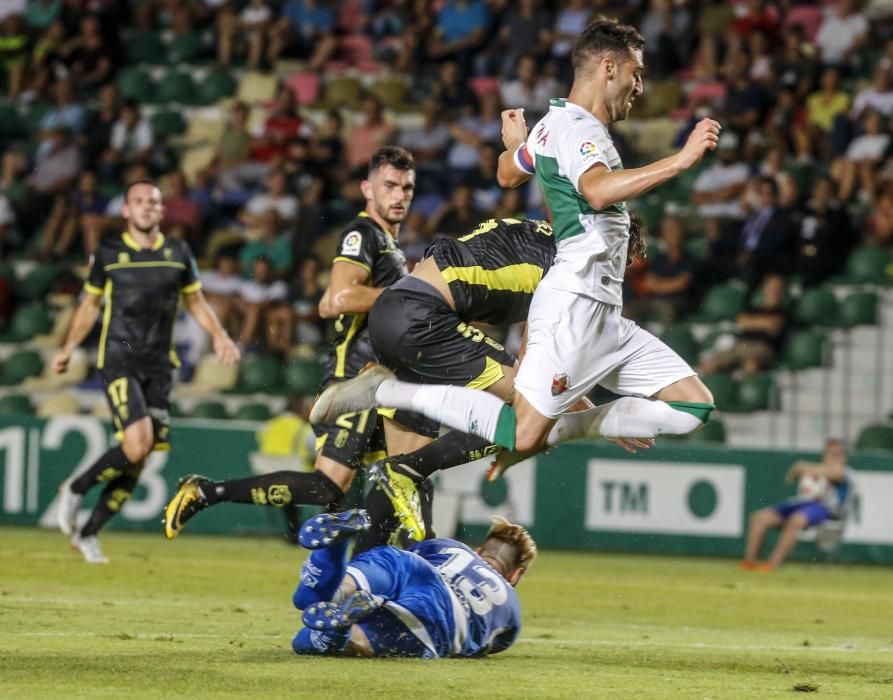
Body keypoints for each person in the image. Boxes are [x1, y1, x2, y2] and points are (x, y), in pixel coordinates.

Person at [311, 18, 719, 477]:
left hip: (606, 313)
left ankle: (582, 426)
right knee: (523, 434)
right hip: (574, 303)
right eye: (636, 73)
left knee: (694, 408)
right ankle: (385, 392)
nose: (640, 86)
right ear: (608, 67)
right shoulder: (578, 129)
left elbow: (508, 173)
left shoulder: (552, 127)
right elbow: (599, 191)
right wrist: (682, 159)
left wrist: (520, 145)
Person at [163, 146, 424, 539]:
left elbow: (326, 300)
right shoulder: (362, 234)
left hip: (382, 380)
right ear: (366, 188)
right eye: (389, 185)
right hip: (358, 381)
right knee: (338, 484)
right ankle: (206, 492)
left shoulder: (388, 245)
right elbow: (338, 300)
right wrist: (409, 293)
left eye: (406, 187)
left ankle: (367, 585)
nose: (399, 194)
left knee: (404, 475)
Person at [54, 180, 240, 563]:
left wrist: (220, 336)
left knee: (139, 457)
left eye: (153, 202)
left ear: (161, 210)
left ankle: (89, 533)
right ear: (125, 210)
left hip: (160, 366)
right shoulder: (108, 252)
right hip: (119, 359)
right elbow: (89, 305)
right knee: (137, 444)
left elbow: (195, 300)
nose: (146, 207)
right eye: (138, 201)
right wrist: (70, 346)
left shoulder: (177, 251)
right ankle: (77, 486)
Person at [290, 509, 534, 659]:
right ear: (515, 575)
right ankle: (342, 629)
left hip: (409, 566)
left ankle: (337, 546)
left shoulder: (452, 547)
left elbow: (414, 557)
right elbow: (480, 646)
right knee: (309, 641)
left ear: (479, 551)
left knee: (308, 599)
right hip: (440, 618)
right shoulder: (512, 614)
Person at [741, 439, 853, 571]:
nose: (832, 457)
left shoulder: (844, 472)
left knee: (796, 520)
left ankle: (772, 564)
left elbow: (826, 472)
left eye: (836, 454)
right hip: (802, 503)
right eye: (829, 453)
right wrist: (799, 470)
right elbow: (793, 474)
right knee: (760, 518)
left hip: (825, 509)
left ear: (843, 457)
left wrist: (802, 467)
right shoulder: (818, 469)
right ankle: (749, 562)